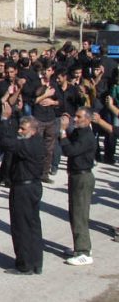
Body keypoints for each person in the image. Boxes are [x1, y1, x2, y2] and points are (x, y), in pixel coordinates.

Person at [0, 105, 46, 275]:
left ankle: (25, 264)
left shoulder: (28, 145)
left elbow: (6, 142)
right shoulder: (37, 141)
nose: (19, 131)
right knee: (33, 225)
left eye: (23, 129)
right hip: (33, 186)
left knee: (21, 226)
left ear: (32, 131)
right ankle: (36, 261)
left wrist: (4, 120)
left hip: (24, 188)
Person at [59, 107, 97, 265]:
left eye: (79, 117)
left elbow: (70, 150)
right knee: (74, 212)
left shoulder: (87, 136)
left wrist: (62, 132)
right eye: (75, 116)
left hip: (83, 177)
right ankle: (80, 245)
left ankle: (84, 252)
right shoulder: (79, 132)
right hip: (75, 176)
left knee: (79, 214)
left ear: (88, 119)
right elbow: (69, 141)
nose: (75, 119)